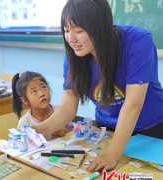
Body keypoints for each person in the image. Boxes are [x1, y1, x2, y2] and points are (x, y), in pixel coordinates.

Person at [35, 0, 163, 172]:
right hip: (107, 130)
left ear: (100, 27)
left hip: (151, 131)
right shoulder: (74, 57)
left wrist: (112, 154)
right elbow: (68, 107)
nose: (71, 39)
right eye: (66, 30)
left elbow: (133, 105)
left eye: (79, 31)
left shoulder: (137, 41)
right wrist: (42, 128)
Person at [12, 71, 66, 138]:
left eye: (43, 87)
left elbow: (73, 133)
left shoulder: (60, 112)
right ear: (25, 100)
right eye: (34, 91)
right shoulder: (25, 123)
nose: (42, 94)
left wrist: (65, 131)